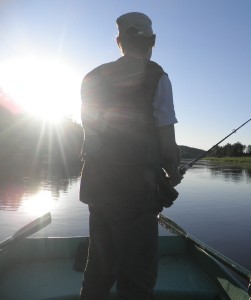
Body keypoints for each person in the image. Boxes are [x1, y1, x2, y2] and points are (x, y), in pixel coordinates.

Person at [79, 12, 182, 300]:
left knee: (99, 268)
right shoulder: (157, 77)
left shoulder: (92, 77)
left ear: (118, 41)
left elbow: (93, 137)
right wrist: (173, 171)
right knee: (138, 277)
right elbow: (167, 144)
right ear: (153, 41)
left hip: (97, 188)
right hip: (136, 193)